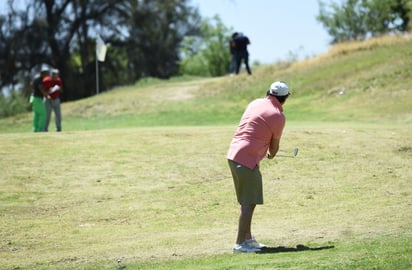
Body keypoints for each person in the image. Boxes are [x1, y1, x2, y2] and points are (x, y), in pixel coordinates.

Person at [227, 81, 290, 253]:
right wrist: (272, 154)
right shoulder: (278, 115)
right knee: (249, 202)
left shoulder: (255, 103)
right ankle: (240, 244)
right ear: (285, 98)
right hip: (246, 158)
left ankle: (248, 239)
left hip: (234, 154)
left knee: (250, 200)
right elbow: (274, 146)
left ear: (269, 92)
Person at [30, 68, 50, 132]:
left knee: (37, 114)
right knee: (43, 114)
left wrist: (34, 91)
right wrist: (47, 95)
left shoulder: (36, 77)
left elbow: (31, 84)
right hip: (38, 99)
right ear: (43, 74)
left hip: (33, 98)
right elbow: (41, 89)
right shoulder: (40, 79)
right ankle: (40, 129)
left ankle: (35, 129)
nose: (47, 75)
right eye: (47, 74)